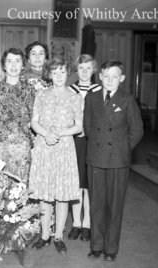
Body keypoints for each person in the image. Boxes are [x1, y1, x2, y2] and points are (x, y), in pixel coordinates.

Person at [84, 60, 143, 261]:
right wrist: (98, 148)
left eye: (115, 77)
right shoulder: (91, 98)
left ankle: (111, 249)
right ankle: (96, 246)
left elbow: (137, 131)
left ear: (122, 79)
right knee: (96, 204)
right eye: (106, 76)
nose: (110, 80)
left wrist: (122, 150)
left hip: (118, 159)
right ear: (99, 76)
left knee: (114, 206)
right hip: (96, 158)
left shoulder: (127, 99)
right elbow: (88, 127)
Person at [29, 58, 83, 254]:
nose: (59, 76)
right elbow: (34, 122)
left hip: (64, 147)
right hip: (44, 144)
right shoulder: (41, 95)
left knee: (62, 194)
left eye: (62, 72)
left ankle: (58, 235)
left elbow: (79, 126)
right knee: (45, 194)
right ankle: (44, 235)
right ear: (49, 75)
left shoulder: (74, 96)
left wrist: (59, 134)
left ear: (67, 74)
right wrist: (45, 133)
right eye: (55, 73)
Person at [67, 54, 102, 242]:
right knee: (76, 182)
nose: (85, 72)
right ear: (76, 70)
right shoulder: (70, 90)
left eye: (88, 68)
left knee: (88, 184)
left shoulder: (98, 90)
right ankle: (76, 224)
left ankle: (87, 223)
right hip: (74, 141)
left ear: (94, 70)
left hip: (92, 141)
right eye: (81, 68)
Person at [0, 48, 35, 181]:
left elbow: (32, 120)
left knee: (18, 190)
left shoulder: (30, 90)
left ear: (23, 65)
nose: (13, 65)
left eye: (17, 61)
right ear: (3, 65)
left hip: (21, 147)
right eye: (9, 61)